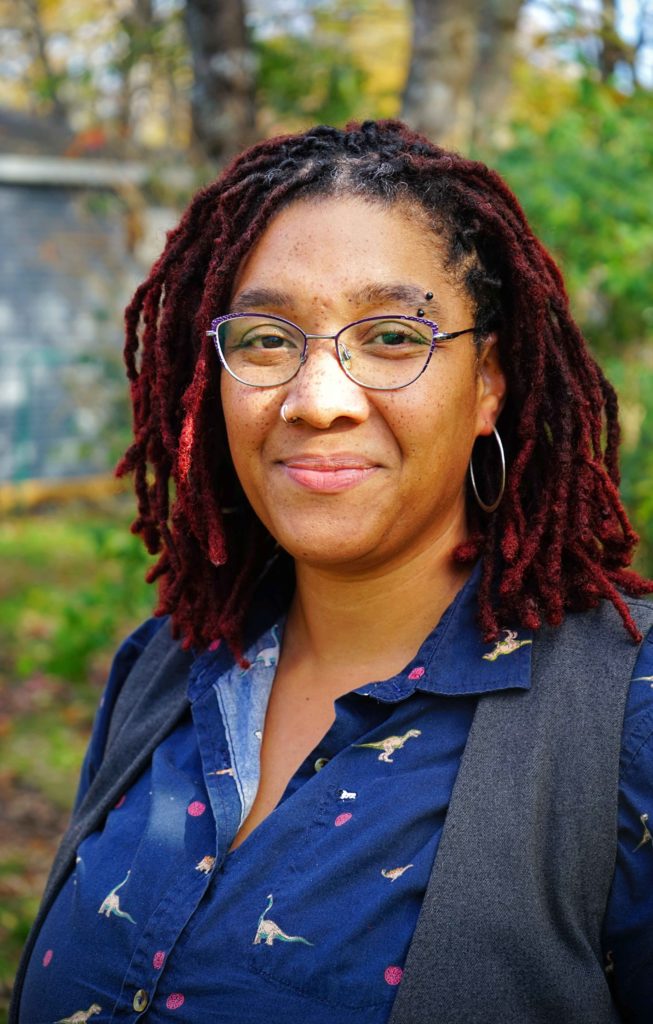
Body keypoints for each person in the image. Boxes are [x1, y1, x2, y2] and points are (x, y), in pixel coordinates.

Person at [11, 120, 653, 1024]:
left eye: (392, 336)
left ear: (488, 383)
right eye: (269, 339)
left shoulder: (625, 713)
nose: (317, 401)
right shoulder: (163, 668)